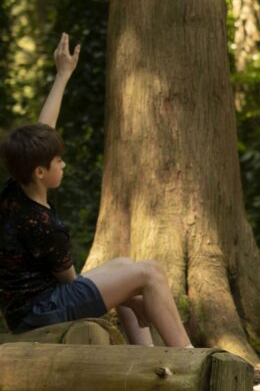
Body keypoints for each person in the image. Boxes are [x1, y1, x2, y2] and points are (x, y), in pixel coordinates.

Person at [0, 34, 192, 347]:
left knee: (125, 266)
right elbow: (72, 283)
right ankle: (190, 358)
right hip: (41, 311)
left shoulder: (14, 190)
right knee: (149, 273)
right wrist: (133, 301)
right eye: (58, 161)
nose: (63, 165)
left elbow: (43, 133)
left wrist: (63, 74)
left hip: (28, 307)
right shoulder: (45, 225)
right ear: (39, 171)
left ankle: (147, 360)